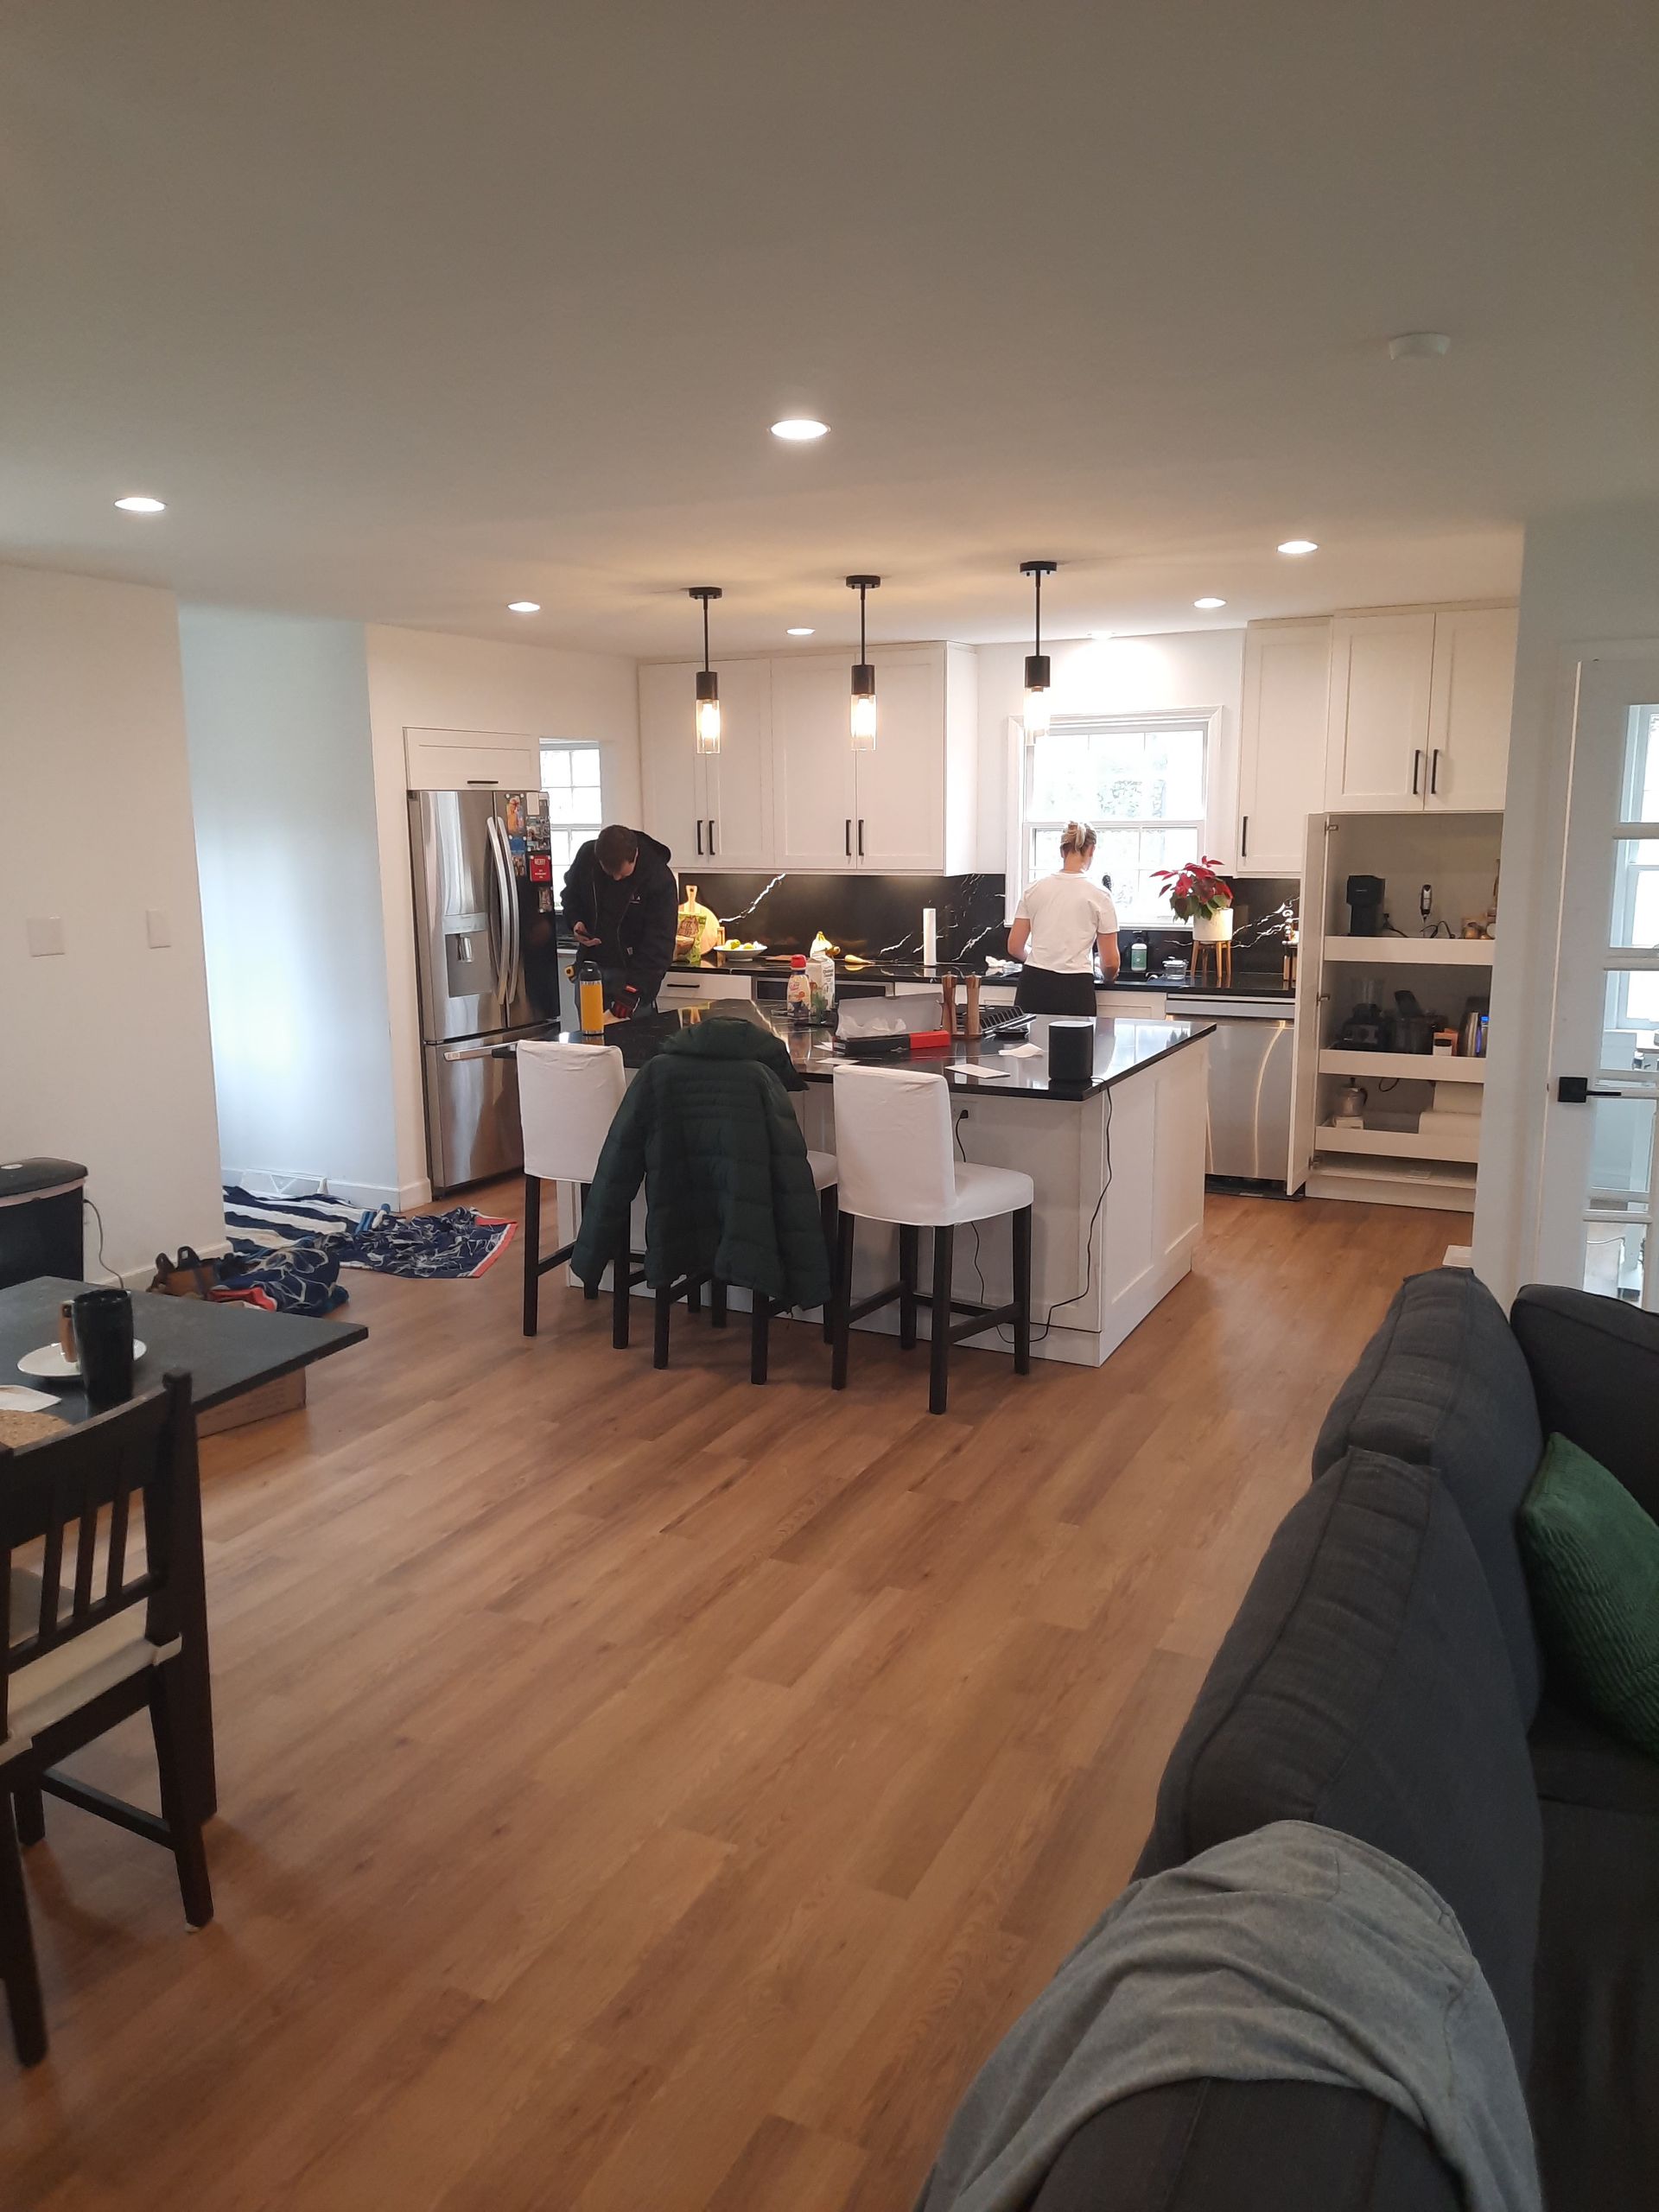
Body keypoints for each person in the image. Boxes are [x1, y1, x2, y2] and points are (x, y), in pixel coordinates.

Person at [561, 823, 677, 1019]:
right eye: (609, 872)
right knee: (590, 1037)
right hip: (591, 970)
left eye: (622, 874)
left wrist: (634, 989)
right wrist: (576, 921)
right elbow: (571, 896)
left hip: (632, 974)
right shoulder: (587, 857)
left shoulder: (658, 878)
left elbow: (660, 942)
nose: (615, 878)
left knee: (634, 1037)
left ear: (636, 855)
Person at [1007, 821, 1121, 1015]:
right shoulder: (1100, 895)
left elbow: (1015, 947)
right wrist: (1108, 977)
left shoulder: (1033, 889)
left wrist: (1040, 958)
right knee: (1075, 1037)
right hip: (1075, 987)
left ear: (1062, 851)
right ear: (1092, 850)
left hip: (1033, 984)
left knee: (1030, 1036)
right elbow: (1110, 962)